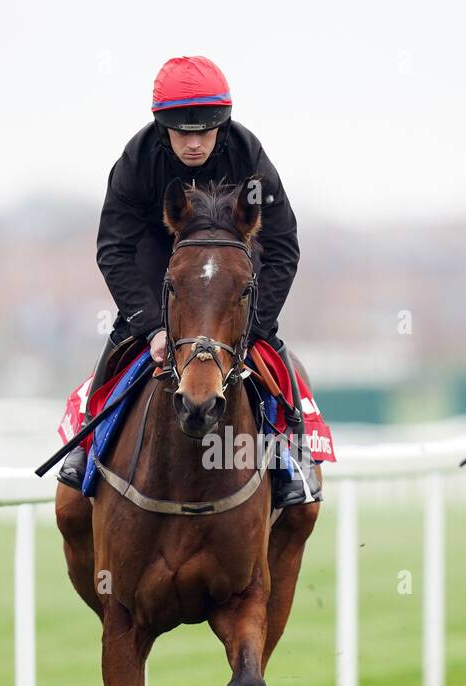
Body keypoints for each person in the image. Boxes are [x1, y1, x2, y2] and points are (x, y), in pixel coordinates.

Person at [58, 55, 320, 507]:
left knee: (275, 358)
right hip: (161, 274)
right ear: (164, 128)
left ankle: (291, 457)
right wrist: (151, 325)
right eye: (183, 132)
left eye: (205, 131)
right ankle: (85, 451)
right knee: (116, 351)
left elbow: (282, 246)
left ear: (222, 123)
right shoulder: (136, 161)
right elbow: (113, 249)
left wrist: (253, 323)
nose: (194, 143)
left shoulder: (249, 157)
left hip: (227, 283)